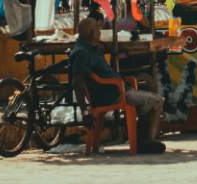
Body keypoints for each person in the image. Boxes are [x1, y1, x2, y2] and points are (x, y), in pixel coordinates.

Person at [69, 17, 165, 152]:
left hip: (118, 90)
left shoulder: (91, 48)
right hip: (111, 94)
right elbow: (77, 82)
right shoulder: (82, 52)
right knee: (154, 101)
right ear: (92, 33)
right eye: (98, 29)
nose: (100, 32)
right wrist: (85, 112)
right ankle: (141, 140)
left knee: (158, 100)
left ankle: (144, 139)